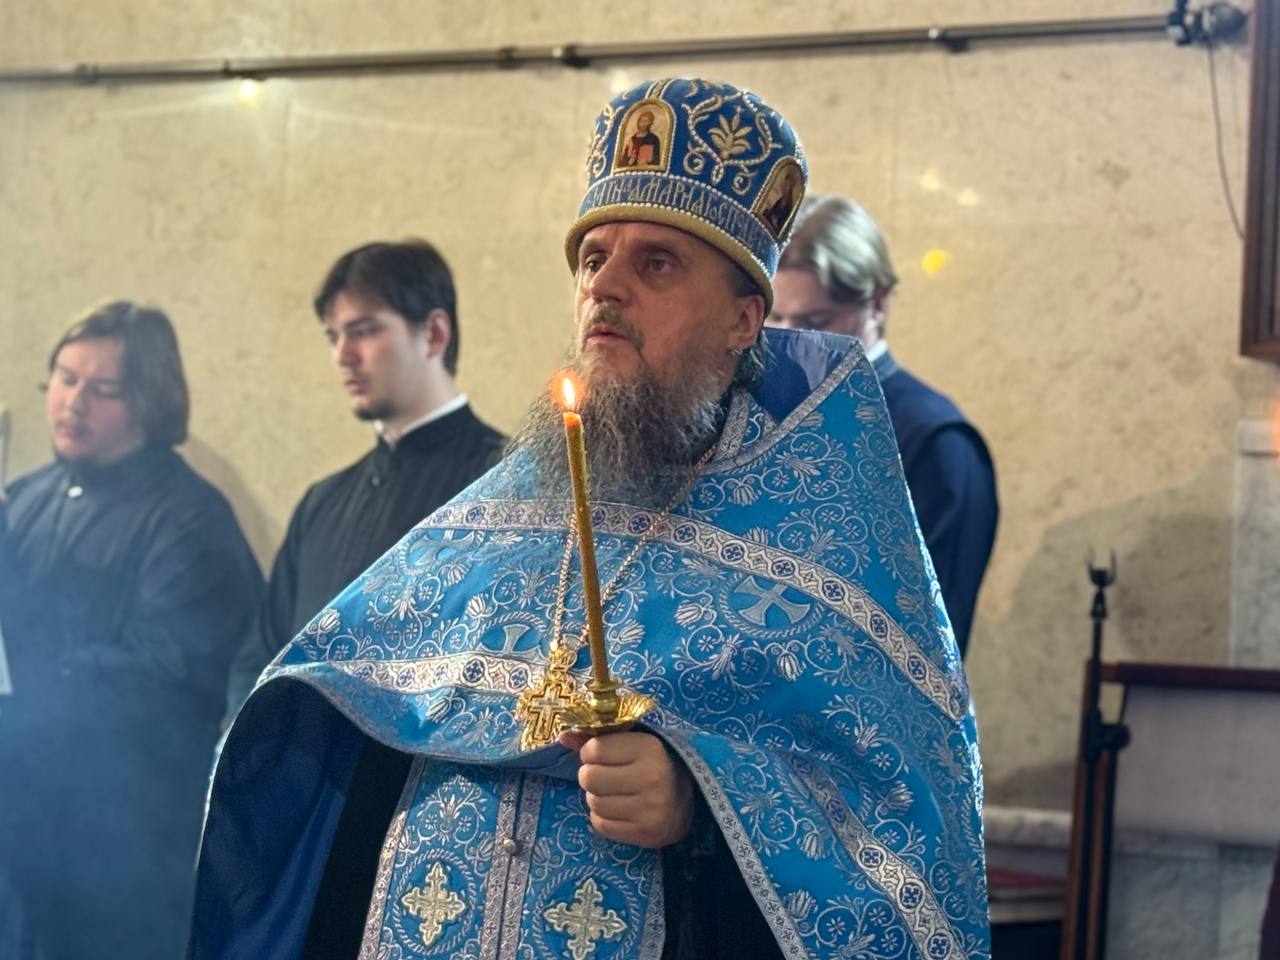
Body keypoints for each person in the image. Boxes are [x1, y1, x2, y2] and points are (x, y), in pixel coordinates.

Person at [190, 79, 989, 960]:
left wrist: (698, 804)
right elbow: (352, 727)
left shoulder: (819, 547)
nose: (604, 286)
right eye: (592, 258)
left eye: (657, 264)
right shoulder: (499, 517)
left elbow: (900, 826)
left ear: (743, 320)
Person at [0, 301, 262, 960]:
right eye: (65, 379)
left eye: (103, 389)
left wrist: (27, 677)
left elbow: (161, 680)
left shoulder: (191, 519)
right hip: (25, 830)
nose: (73, 403)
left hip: (124, 845)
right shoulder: (27, 496)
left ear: (150, 402)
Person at [224, 240, 506, 716]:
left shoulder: (506, 482)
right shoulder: (320, 503)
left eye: (364, 331)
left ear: (434, 334)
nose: (343, 355)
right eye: (333, 337)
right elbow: (262, 654)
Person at [768, 195, 998, 657]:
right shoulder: (761, 411)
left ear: (877, 302)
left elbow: (933, 642)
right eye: (773, 318)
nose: (789, 341)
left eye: (815, 322)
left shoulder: (937, 442)